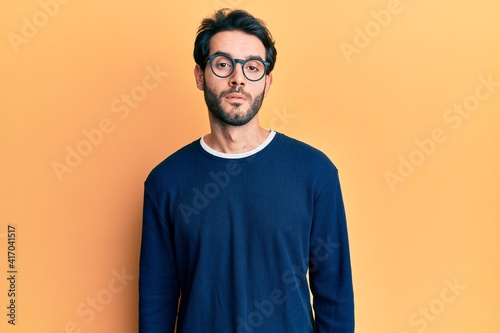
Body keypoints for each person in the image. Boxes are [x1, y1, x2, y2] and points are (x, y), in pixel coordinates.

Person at [139, 8, 355, 333]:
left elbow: (335, 294)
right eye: (223, 64)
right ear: (200, 75)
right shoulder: (165, 183)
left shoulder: (315, 173)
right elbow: (156, 301)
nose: (238, 78)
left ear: (267, 81)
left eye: (252, 67)